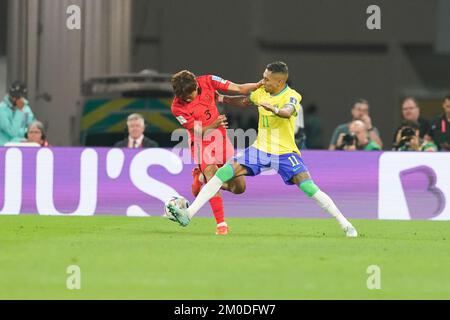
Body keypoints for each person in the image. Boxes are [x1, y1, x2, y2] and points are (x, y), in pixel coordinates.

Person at [167, 61, 358, 238]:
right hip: (259, 149)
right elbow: (244, 100)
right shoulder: (261, 93)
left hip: (284, 151)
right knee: (222, 173)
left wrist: (275, 110)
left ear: (279, 81)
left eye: (266, 78)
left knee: (307, 186)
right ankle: (189, 215)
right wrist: (223, 98)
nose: (262, 81)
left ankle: (345, 224)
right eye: (263, 76)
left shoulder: (291, 95)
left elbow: (288, 111)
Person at [170, 70, 261, 235]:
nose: (189, 100)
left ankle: (200, 178)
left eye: (191, 95)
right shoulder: (177, 107)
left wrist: (258, 85)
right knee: (212, 173)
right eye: (185, 98)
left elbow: (239, 89)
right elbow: (195, 131)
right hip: (200, 143)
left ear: (197, 85)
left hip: (221, 140)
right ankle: (221, 225)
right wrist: (214, 124)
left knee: (239, 188)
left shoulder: (208, 81)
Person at [0, 81, 35, 146]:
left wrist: (26, 138)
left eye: (20, 96)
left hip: (21, 146)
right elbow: (12, 132)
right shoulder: (2, 109)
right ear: (10, 94)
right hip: (3, 148)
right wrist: (19, 110)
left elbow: (32, 127)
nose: (16, 98)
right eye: (14, 95)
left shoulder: (26, 109)